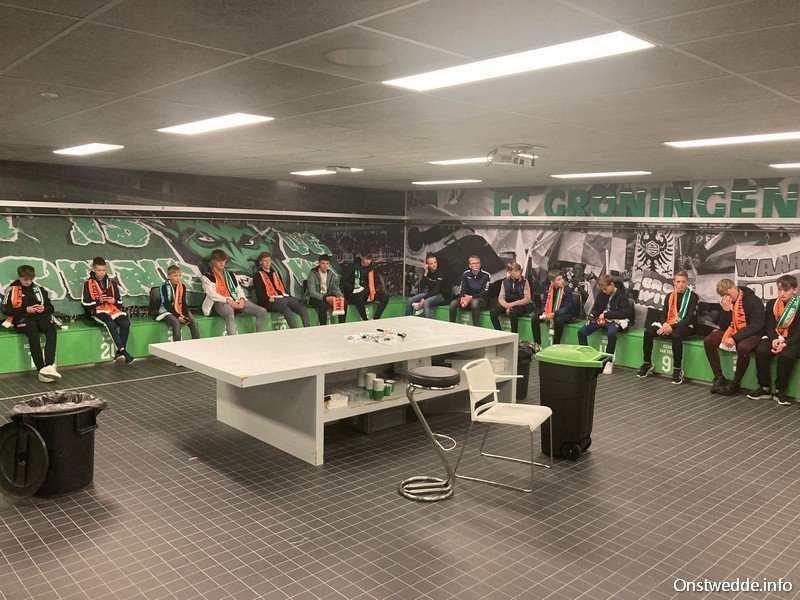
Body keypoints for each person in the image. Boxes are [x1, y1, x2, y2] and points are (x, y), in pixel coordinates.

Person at [703, 278, 764, 396]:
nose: (727, 298)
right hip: (732, 330)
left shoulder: (753, 301)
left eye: (729, 294)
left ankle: (736, 383)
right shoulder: (726, 301)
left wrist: (735, 338)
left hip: (753, 333)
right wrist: (726, 311)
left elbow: (756, 325)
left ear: (735, 288)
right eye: (724, 296)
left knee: (743, 347)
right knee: (709, 340)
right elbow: (723, 326)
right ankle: (719, 377)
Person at [637, 270, 698, 384]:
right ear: (674, 282)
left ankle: (677, 370)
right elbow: (663, 314)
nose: (681, 284)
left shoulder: (693, 297)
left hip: (686, 326)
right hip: (669, 324)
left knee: (676, 335)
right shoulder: (669, 296)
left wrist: (671, 327)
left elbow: (690, 318)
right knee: (648, 332)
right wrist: (665, 324)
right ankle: (647, 363)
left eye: (683, 282)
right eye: (678, 281)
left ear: (687, 282)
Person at [2, 265, 61, 382]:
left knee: (51, 329)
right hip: (21, 318)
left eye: (31, 279)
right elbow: (5, 310)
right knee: (33, 332)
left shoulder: (38, 289)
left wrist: (43, 308)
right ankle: (41, 370)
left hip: (38, 316)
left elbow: (51, 308)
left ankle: (49, 366)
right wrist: (25, 309)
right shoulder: (12, 290)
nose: (29, 282)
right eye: (25, 280)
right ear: (19, 277)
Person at [748, 275, 800, 406]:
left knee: (786, 355)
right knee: (761, 350)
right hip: (775, 337)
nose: (782, 293)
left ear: (795, 290)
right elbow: (769, 326)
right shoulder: (772, 304)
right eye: (779, 289)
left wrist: (786, 343)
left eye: (786, 290)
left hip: (793, 340)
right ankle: (764, 388)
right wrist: (773, 339)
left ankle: (780, 390)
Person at [201, 249, 267, 335]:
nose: (222, 263)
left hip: (235, 300)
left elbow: (239, 289)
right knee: (229, 313)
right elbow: (211, 294)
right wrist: (228, 300)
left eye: (223, 260)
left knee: (262, 311)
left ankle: (259, 336)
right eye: (219, 261)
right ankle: (234, 340)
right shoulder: (207, 276)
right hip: (219, 302)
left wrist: (242, 299)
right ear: (213, 261)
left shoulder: (231, 275)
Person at [578, 274, 634, 375]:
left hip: (614, 321)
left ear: (612, 285)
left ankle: (608, 361)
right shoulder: (601, 294)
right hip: (601, 320)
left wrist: (607, 315)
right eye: (602, 289)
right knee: (581, 331)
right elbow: (596, 308)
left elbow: (625, 314)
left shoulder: (622, 296)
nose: (604, 291)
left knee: (611, 333)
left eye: (605, 289)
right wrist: (592, 314)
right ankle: (585, 356)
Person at [82, 256, 134, 364]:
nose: (101, 272)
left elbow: (119, 301)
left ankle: (119, 353)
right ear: (93, 269)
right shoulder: (87, 283)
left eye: (103, 270)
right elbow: (84, 303)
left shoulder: (111, 282)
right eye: (99, 270)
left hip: (112, 309)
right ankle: (123, 351)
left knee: (125, 322)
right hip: (98, 311)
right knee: (110, 322)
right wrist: (98, 301)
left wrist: (114, 301)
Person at [253, 252, 310, 328]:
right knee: (287, 310)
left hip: (282, 298)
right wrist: (268, 298)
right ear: (260, 262)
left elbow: (283, 289)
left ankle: (308, 330)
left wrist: (287, 296)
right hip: (270, 301)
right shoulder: (257, 275)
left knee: (303, 309)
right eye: (265, 260)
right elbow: (259, 295)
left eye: (269, 260)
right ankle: (295, 331)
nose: (267, 262)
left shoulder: (276, 273)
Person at [530, 269, 576, 351]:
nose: (562, 281)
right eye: (558, 280)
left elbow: (567, 307)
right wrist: (544, 311)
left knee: (558, 320)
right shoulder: (548, 289)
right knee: (535, 318)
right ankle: (537, 344)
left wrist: (554, 313)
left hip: (565, 312)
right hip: (550, 310)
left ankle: (556, 345)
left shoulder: (567, 289)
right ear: (552, 282)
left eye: (562, 278)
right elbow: (544, 302)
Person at [155, 265, 200, 341]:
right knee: (176, 323)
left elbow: (183, 303)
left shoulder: (182, 287)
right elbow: (166, 304)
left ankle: (197, 343)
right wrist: (178, 316)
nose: (178, 278)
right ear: (168, 276)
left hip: (179, 309)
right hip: (166, 310)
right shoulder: (163, 286)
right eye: (175, 276)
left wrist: (185, 316)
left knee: (193, 322)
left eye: (179, 275)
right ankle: (177, 346)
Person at [342, 252, 389, 321]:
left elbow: (373, 282)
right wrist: (352, 288)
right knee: (359, 299)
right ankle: (365, 320)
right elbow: (343, 281)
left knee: (385, 297)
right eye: (366, 259)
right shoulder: (353, 267)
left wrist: (371, 292)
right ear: (361, 257)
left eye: (370, 259)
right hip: (353, 293)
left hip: (367, 293)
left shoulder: (371, 268)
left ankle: (376, 318)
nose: (368, 261)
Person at [449, 255, 491, 326]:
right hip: (467, 298)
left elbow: (485, 292)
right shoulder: (465, 274)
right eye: (473, 263)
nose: (476, 265)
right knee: (453, 304)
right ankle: (452, 325)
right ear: (470, 265)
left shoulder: (486, 275)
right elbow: (463, 289)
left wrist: (471, 297)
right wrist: (462, 298)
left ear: (480, 264)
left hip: (481, 299)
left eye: (477, 263)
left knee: (474, 303)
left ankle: (475, 326)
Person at [489, 262, 531, 333]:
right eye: (515, 271)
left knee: (513, 312)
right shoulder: (504, 282)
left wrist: (512, 304)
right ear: (509, 272)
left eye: (519, 271)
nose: (518, 273)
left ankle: (514, 334)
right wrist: (506, 305)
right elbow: (501, 297)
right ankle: (499, 332)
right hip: (507, 304)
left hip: (520, 305)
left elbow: (527, 298)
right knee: (493, 312)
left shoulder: (525, 281)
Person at [305, 254, 346, 325]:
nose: (325, 266)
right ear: (319, 263)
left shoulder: (332, 275)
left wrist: (340, 296)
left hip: (327, 296)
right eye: (323, 263)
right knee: (322, 305)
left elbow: (335, 289)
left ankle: (341, 325)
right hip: (314, 297)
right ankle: (323, 326)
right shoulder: (313, 274)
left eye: (327, 264)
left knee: (344, 302)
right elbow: (312, 292)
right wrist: (325, 298)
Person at [406, 253, 449, 318]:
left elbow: (436, 289)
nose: (434, 265)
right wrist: (425, 273)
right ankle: (407, 320)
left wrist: (424, 299)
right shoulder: (427, 271)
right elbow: (422, 286)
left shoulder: (441, 272)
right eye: (431, 263)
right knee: (410, 300)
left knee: (426, 302)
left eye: (435, 262)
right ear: (427, 265)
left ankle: (428, 323)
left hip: (442, 295)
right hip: (431, 293)